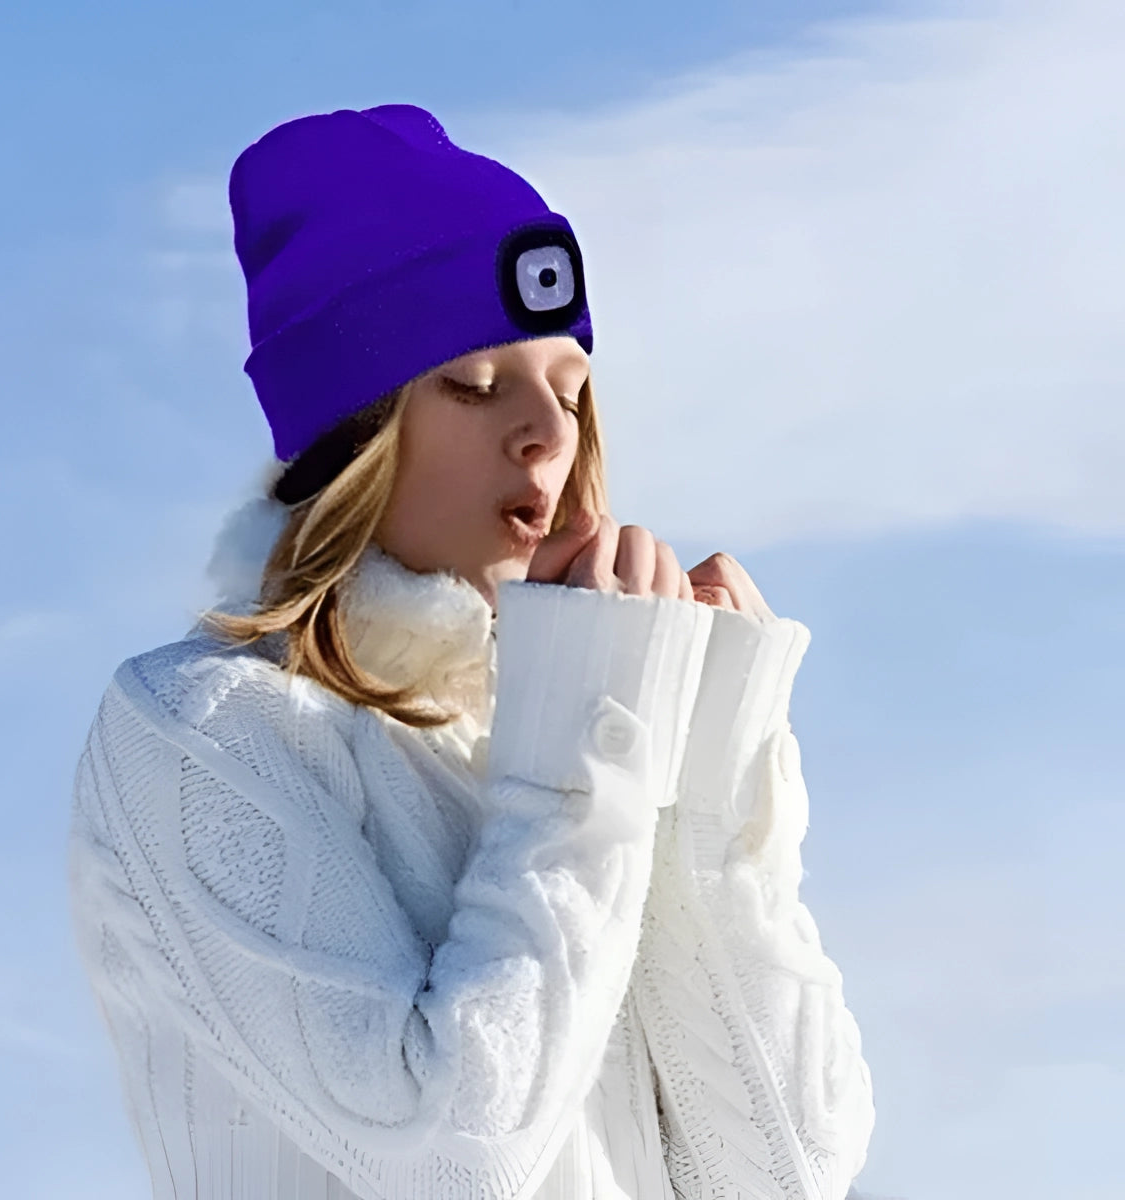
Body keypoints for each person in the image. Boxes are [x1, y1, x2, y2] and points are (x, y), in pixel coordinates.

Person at [68, 102, 875, 1200]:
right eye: (475, 385)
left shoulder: (545, 741)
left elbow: (783, 1172)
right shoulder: (201, 735)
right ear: (357, 432)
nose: (548, 432)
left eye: (571, 391)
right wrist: (593, 736)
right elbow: (453, 1155)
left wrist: (703, 774)